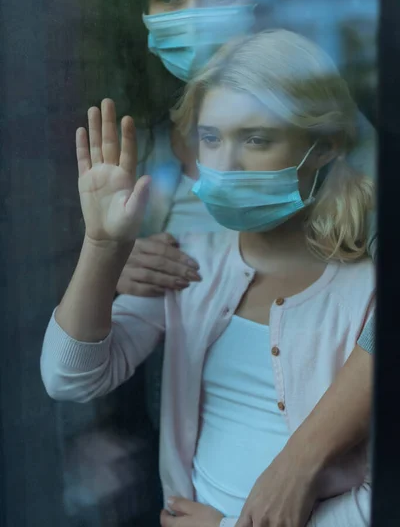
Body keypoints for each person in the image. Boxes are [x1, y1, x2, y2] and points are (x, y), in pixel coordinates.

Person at [42, 30, 375, 526]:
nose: (225, 165)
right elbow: (69, 378)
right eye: (211, 138)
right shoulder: (190, 260)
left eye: (257, 139)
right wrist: (103, 248)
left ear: (324, 146)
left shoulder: (367, 288)